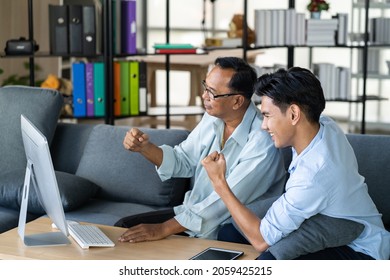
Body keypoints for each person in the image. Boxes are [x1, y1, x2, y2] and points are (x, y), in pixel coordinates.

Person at [202, 67, 390, 260]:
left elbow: (260, 240)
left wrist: (219, 182)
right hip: (325, 214)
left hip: (359, 248)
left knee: (268, 260)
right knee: (230, 232)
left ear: (293, 114)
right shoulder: (325, 125)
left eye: (267, 116)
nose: (263, 125)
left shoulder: (313, 175)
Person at [116, 56, 286, 242]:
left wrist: (163, 228)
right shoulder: (213, 117)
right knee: (122, 229)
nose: (204, 96)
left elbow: (222, 204)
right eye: (205, 87)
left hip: (228, 227)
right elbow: (182, 160)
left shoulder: (262, 141)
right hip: (191, 217)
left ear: (237, 101)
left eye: (212, 92)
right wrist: (145, 148)